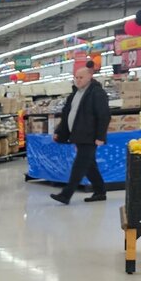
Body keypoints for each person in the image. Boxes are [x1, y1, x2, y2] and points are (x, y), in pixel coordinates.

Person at [50, 62, 111, 204]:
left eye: (81, 77)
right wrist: (59, 132)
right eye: (76, 77)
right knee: (89, 165)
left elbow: (104, 115)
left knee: (80, 165)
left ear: (90, 76)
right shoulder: (74, 94)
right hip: (78, 134)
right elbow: (67, 115)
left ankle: (66, 195)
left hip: (90, 135)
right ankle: (100, 191)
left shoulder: (97, 93)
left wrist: (100, 136)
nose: (78, 80)